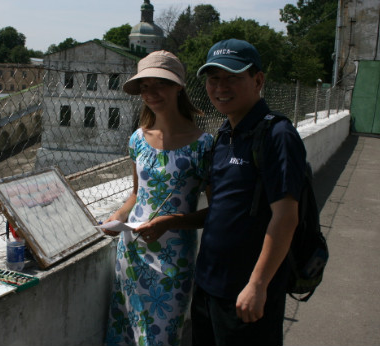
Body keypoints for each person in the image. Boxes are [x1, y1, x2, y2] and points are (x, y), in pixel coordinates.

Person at [189, 39, 308, 345]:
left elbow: (285, 218)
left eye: (232, 78)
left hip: (246, 293)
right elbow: (221, 210)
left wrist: (257, 284)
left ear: (258, 80)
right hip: (208, 287)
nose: (220, 87)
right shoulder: (225, 133)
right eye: (213, 79)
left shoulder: (277, 135)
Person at [102, 50, 213, 346]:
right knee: (125, 333)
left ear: (179, 86)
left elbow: (217, 212)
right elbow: (138, 193)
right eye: (145, 86)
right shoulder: (138, 139)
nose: (151, 93)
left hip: (173, 261)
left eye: (159, 84)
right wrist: (119, 216)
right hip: (132, 252)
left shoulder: (204, 145)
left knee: (160, 339)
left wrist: (171, 221)